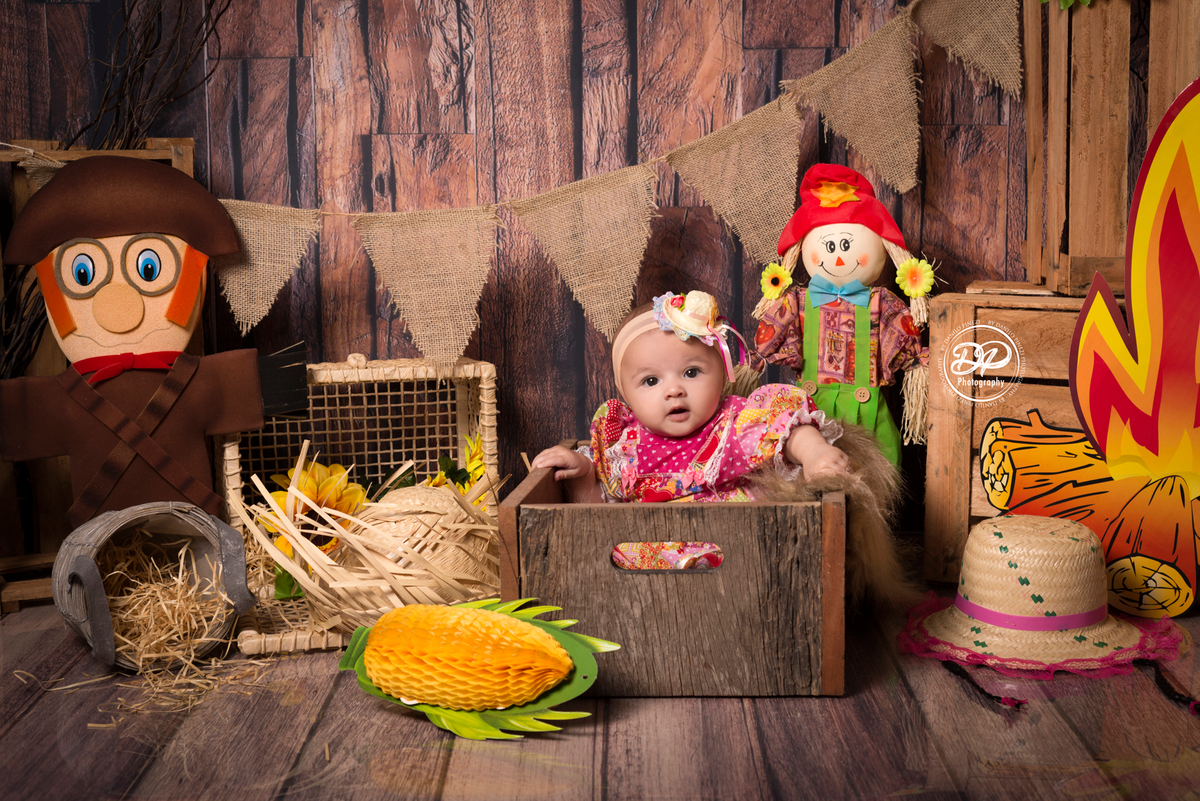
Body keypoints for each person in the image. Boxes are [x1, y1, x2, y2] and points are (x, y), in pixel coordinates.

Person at [531, 290, 850, 506]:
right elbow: (595, 515)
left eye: (692, 372)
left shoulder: (735, 424)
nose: (674, 390)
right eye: (651, 380)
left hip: (739, 554)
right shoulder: (624, 445)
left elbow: (785, 428)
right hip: (649, 567)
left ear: (724, 373)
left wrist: (814, 453)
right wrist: (584, 473)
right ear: (625, 394)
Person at [753, 163, 928, 466]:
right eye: (830, 246)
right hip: (808, 420)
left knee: (877, 487)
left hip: (869, 417)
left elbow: (908, 350)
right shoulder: (795, 303)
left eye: (847, 245)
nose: (837, 255)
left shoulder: (883, 304)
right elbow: (768, 345)